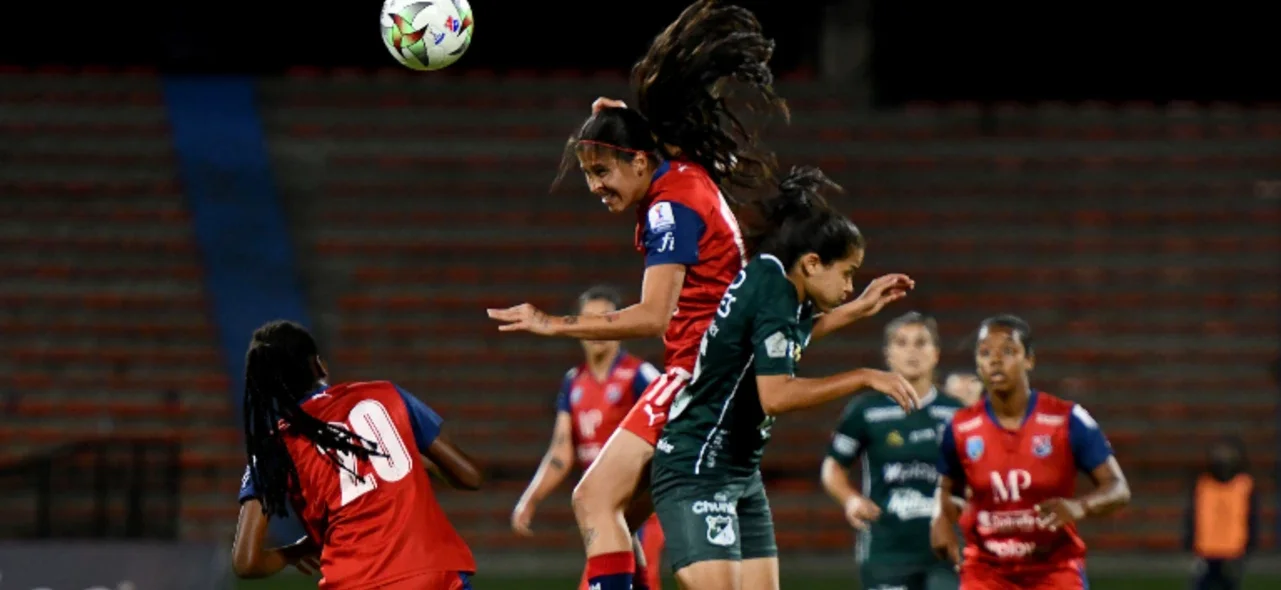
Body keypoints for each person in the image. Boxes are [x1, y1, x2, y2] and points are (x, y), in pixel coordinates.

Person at [487, 3, 796, 588]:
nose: (596, 187)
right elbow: (653, 147)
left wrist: (551, 323)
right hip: (724, 368)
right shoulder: (682, 172)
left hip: (700, 371)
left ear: (636, 160)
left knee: (592, 501)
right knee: (620, 517)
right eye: (588, 176)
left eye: (602, 172)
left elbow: (654, 314)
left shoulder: (668, 205)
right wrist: (625, 116)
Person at [650, 166, 920, 590]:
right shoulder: (776, 294)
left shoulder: (774, 275)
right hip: (698, 465)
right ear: (812, 263)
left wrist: (861, 308)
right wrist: (864, 377)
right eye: (847, 273)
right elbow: (775, 395)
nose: (850, 286)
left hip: (740, 470)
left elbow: (789, 334)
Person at [230, 320, 482, 589]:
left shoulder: (276, 446)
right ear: (320, 365)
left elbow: (246, 562)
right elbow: (471, 477)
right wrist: (425, 465)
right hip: (434, 573)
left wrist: (296, 553)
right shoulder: (385, 395)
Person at [931, 315, 1131, 590]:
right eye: (985, 352)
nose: (995, 360)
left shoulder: (1066, 419)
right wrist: (940, 519)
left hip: (1054, 569)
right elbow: (947, 487)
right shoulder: (960, 427)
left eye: (1008, 351)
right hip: (986, 572)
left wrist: (1079, 506)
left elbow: (1118, 488)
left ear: (1029, 360)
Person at [511, 285, 666, 590]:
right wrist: (531, 498)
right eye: (588, 319)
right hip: (601, 506)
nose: (595, 327)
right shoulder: (573, 382)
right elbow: (561, 451)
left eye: (604, 318)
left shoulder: (639, 375)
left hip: (635, 506)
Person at [821, 312, 964, 590]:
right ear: (888, 355)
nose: (912, 351)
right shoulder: (866, 411)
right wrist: (850, 499)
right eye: (902, 343)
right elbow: (833, 467)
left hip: (945, 550)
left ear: (936, 353)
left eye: (921, 343)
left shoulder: (956, 413)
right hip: (886, 550)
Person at [1184, 436, 1257, 590]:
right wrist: (1190, 542)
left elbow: (1251, 518)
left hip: (1233, 551)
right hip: (1205, 550)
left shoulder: (1244, 485)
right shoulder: (1203, 484)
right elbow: (1193, 516)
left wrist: (1249, 545)